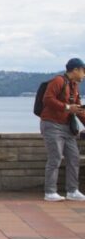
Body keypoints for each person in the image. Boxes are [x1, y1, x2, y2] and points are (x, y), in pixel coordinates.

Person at [39, 58, 85, 202]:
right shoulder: (58, 81)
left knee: (74, 158)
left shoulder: (74, 86)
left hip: (67, 127)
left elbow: (77, 109)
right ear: (75, 70)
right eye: (83, 71)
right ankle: (50, 192)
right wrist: (66, 107)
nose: (84, 75)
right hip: (52, 125)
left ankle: (72, 191)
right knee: (55, 157)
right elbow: (47, 99)